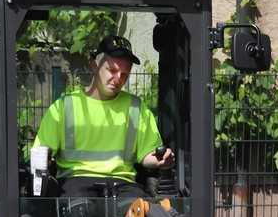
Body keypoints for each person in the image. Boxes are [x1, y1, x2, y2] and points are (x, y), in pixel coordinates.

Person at [32, 34, 174, 205]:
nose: (118, 79)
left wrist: (160, 160)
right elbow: (40, 152)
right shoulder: (64, 107)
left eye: (124, 74)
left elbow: (147, 156)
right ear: (94, 65)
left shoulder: (136, 108)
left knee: (141, 212)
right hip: (76, 181)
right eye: (112, 71)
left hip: (123, 183)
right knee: (78, 210)